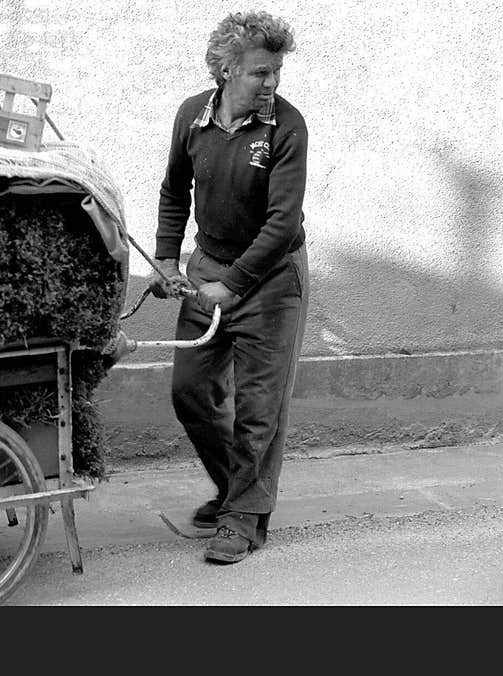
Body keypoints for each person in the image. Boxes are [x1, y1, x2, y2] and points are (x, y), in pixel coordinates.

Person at [149, 10, 310, 564]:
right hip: (207, 268)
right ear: (225, 70)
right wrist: (168, 260)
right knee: (190, 391)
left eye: (276, 71)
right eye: (260, 73)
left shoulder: (286, 127)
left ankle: (244, 518)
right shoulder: (193, 116)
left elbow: (282, 222)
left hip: (268, 281)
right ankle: (234, 491)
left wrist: (235, 286)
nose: (272, 84)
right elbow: (174, 191)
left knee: (259, 408)